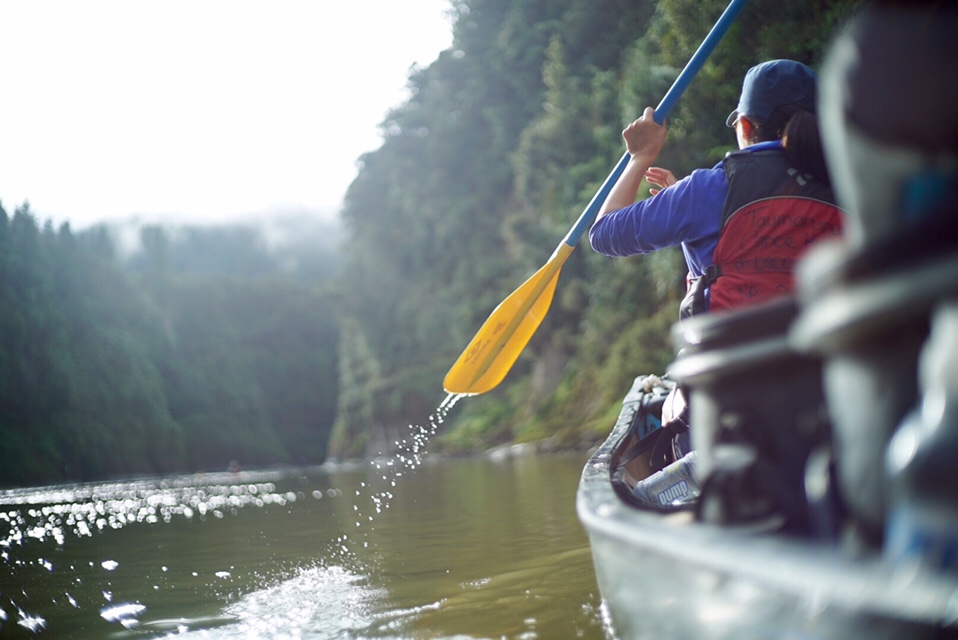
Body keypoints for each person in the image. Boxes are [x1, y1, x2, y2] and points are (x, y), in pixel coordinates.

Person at [590, 59, 842, 319]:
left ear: (744, 126)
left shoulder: (709, 189)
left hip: (730, 353)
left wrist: (640, 157)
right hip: (828, 351)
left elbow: (604, 233)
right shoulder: (849, 189)